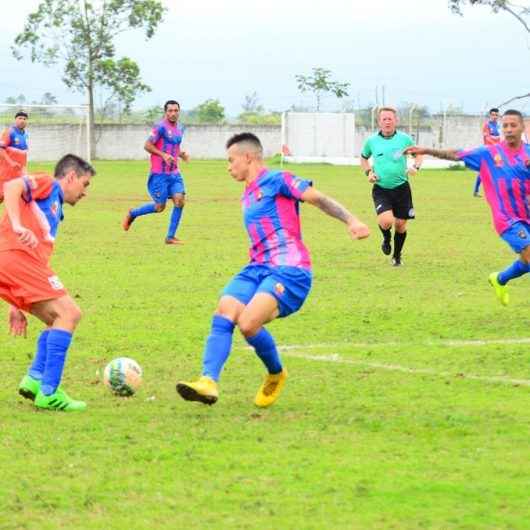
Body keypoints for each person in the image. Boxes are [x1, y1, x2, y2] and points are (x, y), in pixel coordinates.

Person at [176, 132, 370, 407]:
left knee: (248, 322)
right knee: (225, 311)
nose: (228, 166)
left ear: (248, 157)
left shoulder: (279, 180)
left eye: (231, 160)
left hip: (289, 270)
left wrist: (351, 220)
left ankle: (276, 374)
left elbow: (318, 198)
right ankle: (208, 381)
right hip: (257, 268)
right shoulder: (248, 193)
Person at [405, 109, 530, 306]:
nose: (508, 129)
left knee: (527, 261)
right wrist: (428, 151)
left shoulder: (528, 154)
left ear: (523, 127)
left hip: (527, 216)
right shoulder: (489, 153)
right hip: (506, 220)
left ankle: (500, 279)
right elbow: (457, 154)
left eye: (513, 125)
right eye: (505, 125)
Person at [1, 154, 95, 411]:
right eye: (85, 184)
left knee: (55, 319)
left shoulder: (56, 208)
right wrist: (18, 226)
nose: (84, 193)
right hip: (15, 257)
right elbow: (11, 186)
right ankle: (49, 392)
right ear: (71, 176)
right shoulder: (48, 184)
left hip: (17, 266)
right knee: (70, 313)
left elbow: (39, 256)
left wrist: (16, 303)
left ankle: (34, 380)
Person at [360, 107, 423, 266]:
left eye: (390, 119)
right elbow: (363, 158)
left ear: (396, 121)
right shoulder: (372, 141)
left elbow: (419, 154)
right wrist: (368, 173)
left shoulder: (404, 140)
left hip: (402, 188)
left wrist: (415, 167)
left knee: (401, 225)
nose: (387, 122)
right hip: (381, 188)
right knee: (386, 221)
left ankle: (397, 256)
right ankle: (386, 238)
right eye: (384, 119)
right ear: (379, 122)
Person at [122, 100, 190, 244]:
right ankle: (132, 213)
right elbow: (147, 145)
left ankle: (170, 237)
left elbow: (174, 147)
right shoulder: (160, 127)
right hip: (159, 174)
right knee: (160, 207)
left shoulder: (181, 128)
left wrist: (181, 154)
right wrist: (163, 155)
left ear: (179, 111)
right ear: (165, 112)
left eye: (176, 110)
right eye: (170, 111)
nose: (173, 113)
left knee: (180, 200)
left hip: (174, 173)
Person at [0, 111, 29, 203]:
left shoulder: (25, 135)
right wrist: (11, 163)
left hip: (19, 172)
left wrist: (24, 168)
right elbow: (1, 149)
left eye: (24, 119)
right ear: (15, 120)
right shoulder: (9, 132)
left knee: (23, 196)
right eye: (20, 118)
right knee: (1, 196)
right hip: (6, 172)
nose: (22, 120)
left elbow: (23, 153)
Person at [473, 108, 501, 197]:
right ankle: (477, 191)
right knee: (484, 171)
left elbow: (499, 138)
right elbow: (487, 138)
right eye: (493, 115)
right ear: (490, 115)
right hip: (488, 151)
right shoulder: (487, 125)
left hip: (496, 152)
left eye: (496, 115)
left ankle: (495, 191)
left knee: (497, 170)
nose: (495, 116)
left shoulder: (498, 126)